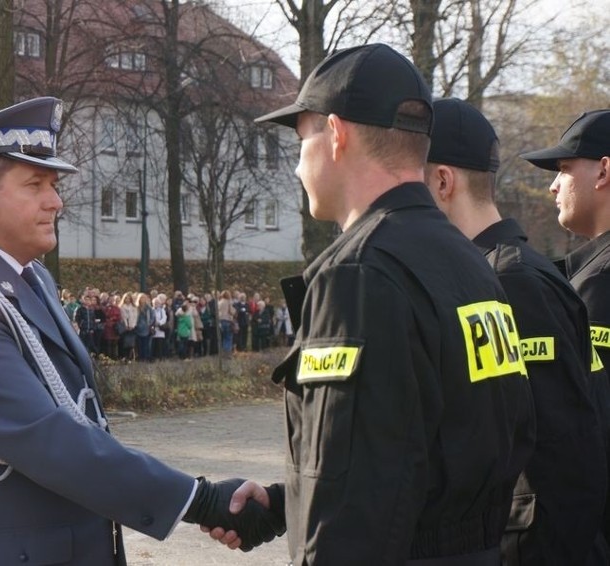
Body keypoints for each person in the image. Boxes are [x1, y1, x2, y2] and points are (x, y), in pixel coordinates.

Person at [0, 97, 283, 565]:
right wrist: (199, 501)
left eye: (53, 185)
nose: (55, 200)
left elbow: (79, 419)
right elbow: (45, 437)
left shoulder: (29, 278)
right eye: (35, 185)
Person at [210, 44, 535, 564]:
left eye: (301, 141)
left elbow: (353, 512)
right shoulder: (473, 263)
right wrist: (280, 504)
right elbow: (414, 451)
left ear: (336, 134)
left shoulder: (358, 274)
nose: (297, 167)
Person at [426, 98, 608, 565]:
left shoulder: (514, 282)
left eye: (564, 168)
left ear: (443, 181)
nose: (551, 185)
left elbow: (566, 456)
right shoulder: (504, 274)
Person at [521, 109, 610, 548]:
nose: (553, 186)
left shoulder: (599, 283)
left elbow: (589, 429)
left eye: (563, 169)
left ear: (604, 170)